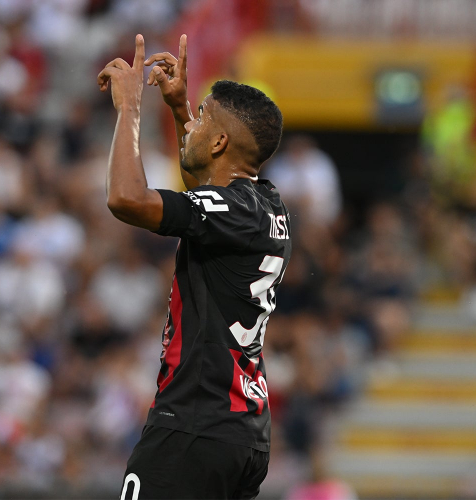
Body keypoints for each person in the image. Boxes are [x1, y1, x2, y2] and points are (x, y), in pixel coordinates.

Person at [97, 34, 290, 499]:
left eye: (202, 117)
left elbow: (126, 199)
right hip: (241, 435)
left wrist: (130, 108)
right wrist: (180, 107)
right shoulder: (266, 205)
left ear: (221, 141)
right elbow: (207, 190)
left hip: (192, 426)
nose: (193, 125)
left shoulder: (234, 210)